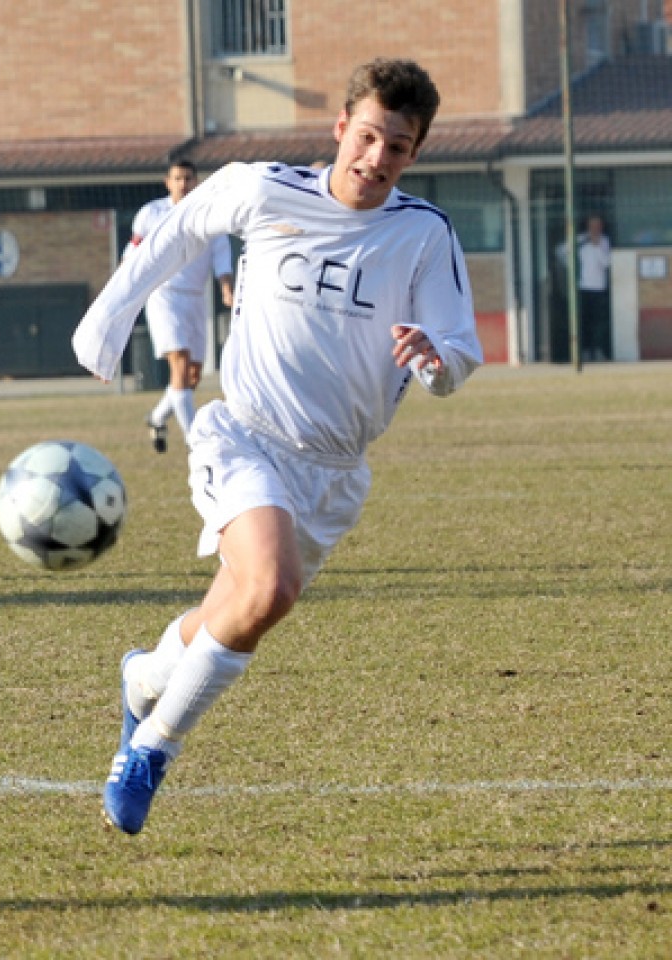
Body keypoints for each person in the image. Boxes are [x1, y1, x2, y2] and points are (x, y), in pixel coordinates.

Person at [72, 58, 483, 835]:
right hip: (247, 435)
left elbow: (457, 350)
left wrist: (435, 359)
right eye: (367, 136)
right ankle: (153, 748)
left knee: (234, 612)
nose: (375, 158)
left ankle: (143, 681)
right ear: (340, 128)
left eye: (397, 147)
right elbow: (178, 229)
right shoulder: (264, 188)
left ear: (415, 153)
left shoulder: (423, 234)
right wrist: (110, 315)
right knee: (272, 588)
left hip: (335, 471)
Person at [127, 149, 235, 453]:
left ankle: (157, 417)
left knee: (191, 377)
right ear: (167, 182)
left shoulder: (210, 214)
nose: (183, 183)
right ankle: (196, 442)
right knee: (180, 364)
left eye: (188, 178)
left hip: (196, 300)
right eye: (177, 178)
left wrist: (226, 287)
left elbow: (222, 256)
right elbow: (132, 256)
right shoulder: (151, 214)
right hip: (164, 296)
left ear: (197, 181)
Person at [561, 215, 614, 362]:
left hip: (599, 288)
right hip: (582, 287)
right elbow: (561, 252)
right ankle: (583, 351)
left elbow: (606, 263)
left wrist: (596, 247)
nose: (596, 228)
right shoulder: (579, 240)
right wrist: (570, 267)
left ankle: (598, 350)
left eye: (598, 225)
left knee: (598, 322)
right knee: (583, 320)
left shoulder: (604, 241)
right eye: (593, 225)